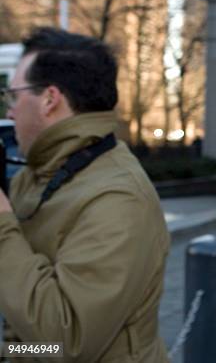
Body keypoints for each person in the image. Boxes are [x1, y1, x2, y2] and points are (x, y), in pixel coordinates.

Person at [0, 28, 170, 362]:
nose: (9, 112)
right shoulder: (37, 174)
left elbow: (65, 342)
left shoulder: (118, 199)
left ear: (50, 99)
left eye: (13, 96)